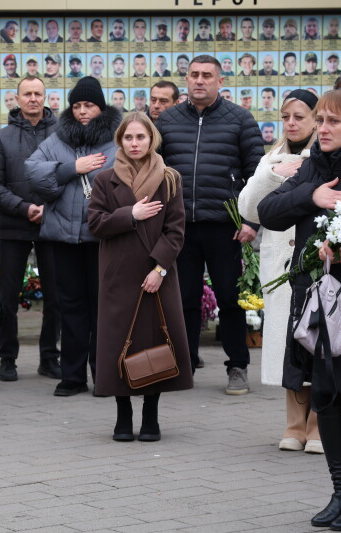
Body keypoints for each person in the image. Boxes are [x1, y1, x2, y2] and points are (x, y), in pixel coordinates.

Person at [258, 88, 341, 531]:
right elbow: (268, 212)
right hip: (319, 299)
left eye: (333, 121)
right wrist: (311, 197)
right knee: (328, 395)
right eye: (320, 121)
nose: (323, 129)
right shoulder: (314, 166)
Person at [156, 55, 264, 394]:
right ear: (185, 81)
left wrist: (251, 222)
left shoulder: (241, 120)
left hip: (225, 226)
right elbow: (152, 172)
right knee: (184, 299)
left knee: (229, 299)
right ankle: (183, 366)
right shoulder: (168, 120)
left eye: (207, 75)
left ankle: (237, 367)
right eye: (193, 75)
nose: (199, 81)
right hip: (180, 227)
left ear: (220, 81)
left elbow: (259, 177)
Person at [87, 111, 193, 441]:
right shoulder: (104, 179)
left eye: (141, 137)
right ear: (121, 140)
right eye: (129, 137)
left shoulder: (169, 178)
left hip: (156, 276)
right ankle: (122, 415)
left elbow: (176, 231)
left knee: (155, 341)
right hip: (118, 276)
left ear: (152, 140)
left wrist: (160, 268)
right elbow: (96, 224)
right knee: (118, 343)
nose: (135, 143)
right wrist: (129, 214)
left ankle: (151, 416)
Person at [238, 89, 323, 454]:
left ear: (315, 119)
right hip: (280, 268)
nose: (290, 123)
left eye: (299, 116)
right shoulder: (272, 157)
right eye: (286, 116)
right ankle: (293, 424)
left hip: (315, 262)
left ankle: (319, 425)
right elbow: (249, 209)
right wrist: (273, 176)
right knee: (288, 343)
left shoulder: (325, 155)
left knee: (317, 341)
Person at [26, 77, 122, 397]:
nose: (82, 111)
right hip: (65, 240)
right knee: (71, 308)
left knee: (102, 310)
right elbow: (33, 171)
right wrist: (72, 167)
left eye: (89, 105)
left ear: (101, 107)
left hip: (102, 239)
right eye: (77, 105)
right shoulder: (58, 138)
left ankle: (103, 374)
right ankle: (72, 376)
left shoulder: (115, 140)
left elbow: (127, 180)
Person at [0, 77, 61, 382]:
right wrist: (23, 208)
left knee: (55, 295)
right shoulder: (2, 137)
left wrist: (47, 208)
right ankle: (7, 358)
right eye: (26, 94)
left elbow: (69, 177)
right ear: (16, 98)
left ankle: (49, 357)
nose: (32, 98)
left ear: (46, 98)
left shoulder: (61, 134)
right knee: (7, 296)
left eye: (37, 94)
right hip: (14, 228)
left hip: (52, 225)